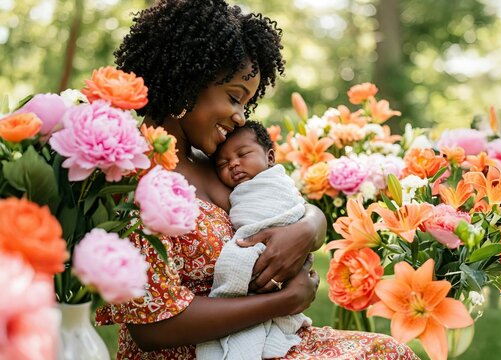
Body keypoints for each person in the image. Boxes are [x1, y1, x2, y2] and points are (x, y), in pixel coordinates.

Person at [96, 0, 419, 358]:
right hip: (193, 352)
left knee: (387, 350)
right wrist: (284, 301)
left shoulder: (215, 163)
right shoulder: (129, 175)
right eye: (235, 98)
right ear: (188, 80)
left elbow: (283, 201)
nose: (239, 117)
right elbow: (152, 328)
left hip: (261, 340)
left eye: (246, 105)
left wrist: (309, 228)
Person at [197, 121, 310, 359]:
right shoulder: (235, 190)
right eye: (223, 164)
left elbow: (295, 209)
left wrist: (308, 227)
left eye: (243, 154)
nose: (234, 164)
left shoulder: (275, 183)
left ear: (270, 157)